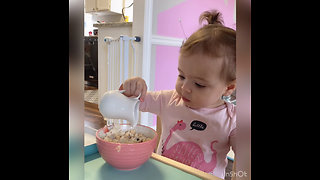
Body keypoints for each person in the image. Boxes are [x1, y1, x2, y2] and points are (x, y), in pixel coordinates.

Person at [119, 10, 236, 179]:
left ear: (228, 88)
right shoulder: (169, 100)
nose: (185, 88)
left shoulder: (232, 120)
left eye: (199, 84)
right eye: (182, 76)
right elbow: (130, 102)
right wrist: (132, 88)